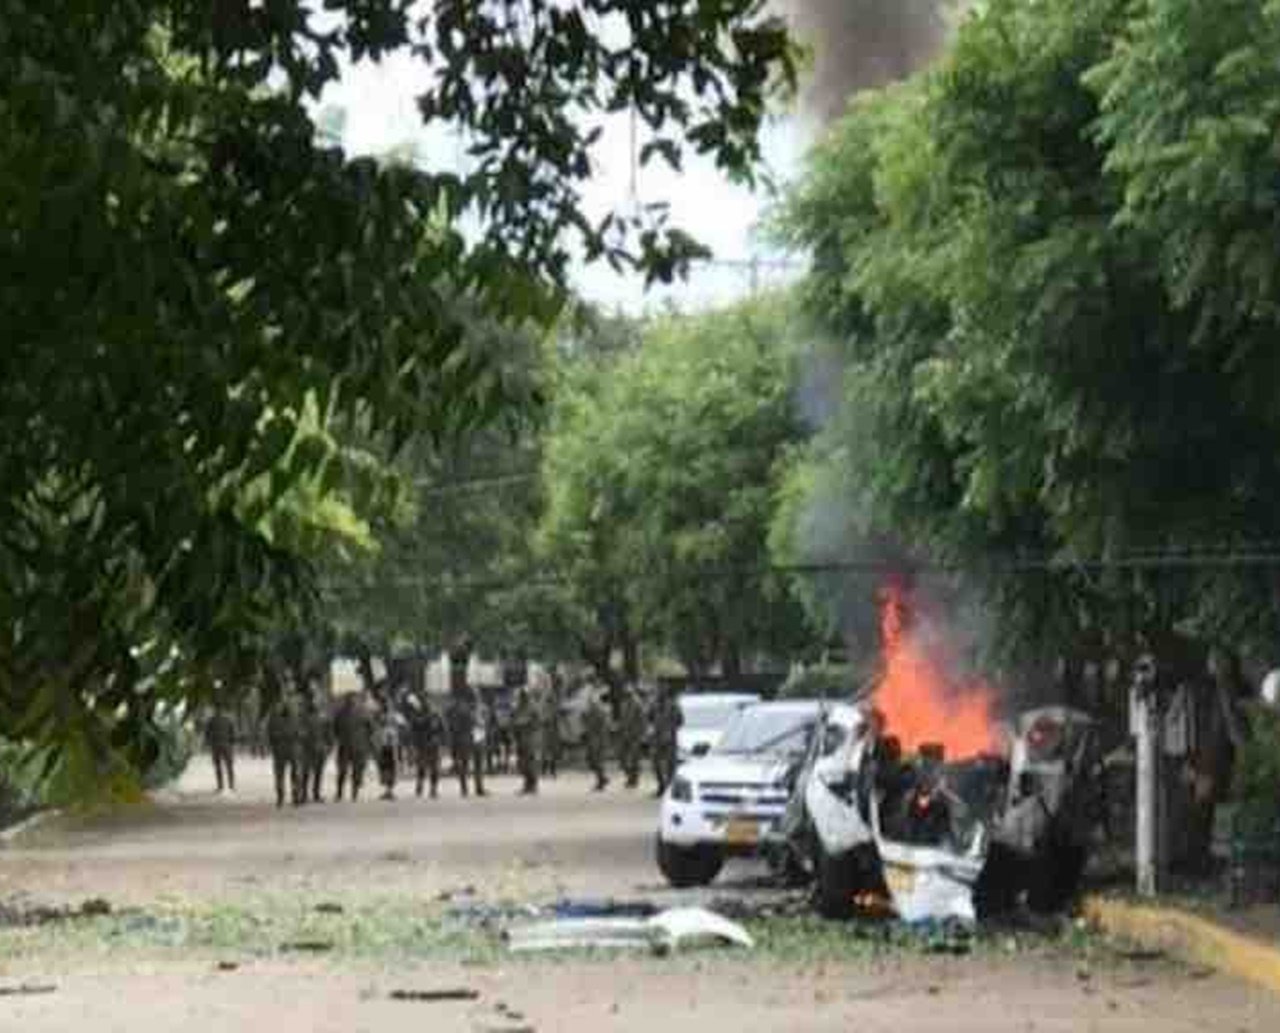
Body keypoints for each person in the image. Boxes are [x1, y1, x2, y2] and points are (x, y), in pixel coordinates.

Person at [333, 690, 374, 802]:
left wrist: (367, 742)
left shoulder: (363, 712)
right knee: (342, 770)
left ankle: (354, 792)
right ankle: (339, 792)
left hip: (358, 746)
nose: (351, 701)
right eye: (349, 699)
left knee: (356, 771)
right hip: (345, 745)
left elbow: (371, 728)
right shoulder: (340, 713)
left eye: (353, 699)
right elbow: (335, 728)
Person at [265, 694, 302, 808]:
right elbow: (300, 734)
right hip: (290, 749)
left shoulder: (275, 718)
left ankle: (284, 798)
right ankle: (290, 797)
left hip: (282, 750)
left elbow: (270, 734)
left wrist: (273, 745)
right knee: (291, 775)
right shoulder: (294, 718)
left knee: (283, 775)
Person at [407, 692, 445, 798]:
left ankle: (432, 789)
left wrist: (442, 741)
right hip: (422, 744)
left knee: (434, 767)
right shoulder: (419, 713)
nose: (428, 702)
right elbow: (414, 727)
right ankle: (420, 785)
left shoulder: (435, 714)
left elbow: (442, 729)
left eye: (428, 700)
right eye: (425, 700)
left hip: (433, 744)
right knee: (422, 766)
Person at [299, 690, 332, 804]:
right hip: (307, 748)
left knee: (318, 773)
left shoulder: (323, 716)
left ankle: (316, 794)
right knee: (305, 772)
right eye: (313, 699)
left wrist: (328, 746)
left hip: (320, 748)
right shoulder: (303, 715)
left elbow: (329, 732)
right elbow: (299, 730)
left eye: (317, 699)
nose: (315, 702)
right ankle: (303, 794)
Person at [651, 685, 683, 798]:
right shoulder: (654, 705)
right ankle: (661, 786)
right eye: (657, 693)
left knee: (671, 766)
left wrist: (671, 730)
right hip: (657, 738)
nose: (658, 695)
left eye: (660, 693)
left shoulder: (674, 705)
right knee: (655, 764)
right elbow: (650, 717)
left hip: (670, 739)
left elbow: (680, 720)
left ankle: (670, 789)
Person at [512, 683, 542, 795]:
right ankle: (526, 785)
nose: (522, 697)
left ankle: (533, 785)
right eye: (521, 695)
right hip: (520, 739)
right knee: (522, 763)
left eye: (524, 695)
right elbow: (513, 721)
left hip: (530, 739)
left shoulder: (533, 707)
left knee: (530, 763)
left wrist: (526, 724)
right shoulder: (517, 707)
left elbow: (537, 721)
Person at [617, 682, 646, 789]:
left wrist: (642, 735)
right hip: (625, 734)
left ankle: (634, 780)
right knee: (622, 758)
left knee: (634, 758)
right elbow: (623, 719)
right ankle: (630, 777)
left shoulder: (638, 703)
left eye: (628, 693)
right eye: (625, 693)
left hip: (635, 735)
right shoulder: (624, 704)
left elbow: (643, 720)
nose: (627, 695)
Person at [582, 685, 611, 792]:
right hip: (594, 737)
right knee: (593, 760)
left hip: (598, 738)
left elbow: (599, 725)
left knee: (597, 760)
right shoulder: (594, 709)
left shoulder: (599, 709)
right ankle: (602, 778)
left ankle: (601, 781)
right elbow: (587, 721)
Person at [374, 700, 403, 800]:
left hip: (393, 746)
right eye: (385, 706)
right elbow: (376, 729)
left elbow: (403, 727)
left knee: (392, 768)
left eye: (388, 705)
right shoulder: (380, 716)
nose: (386, 707)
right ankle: (387, 791)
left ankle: (390, 791)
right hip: (384, 746)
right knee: (385, 768)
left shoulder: (397, 716)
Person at [205, 704, 237, 794]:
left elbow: (207, 734)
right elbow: (233, 733)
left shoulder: (211, 720)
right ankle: (231, 786)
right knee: (229, 767)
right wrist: (232, 743)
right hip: (226, 745)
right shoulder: (228, 720)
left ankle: (221, 786)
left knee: (219, 767)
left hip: (216, 746)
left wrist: (209, 743)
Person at [541, 674, 563, 779]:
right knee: (546, 749)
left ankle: (551, 771)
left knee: (550, 749)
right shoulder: (547, 694)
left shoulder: (552, 694)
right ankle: (546, 770)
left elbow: (554, 708)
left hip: (551, 724)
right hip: (547, 724)